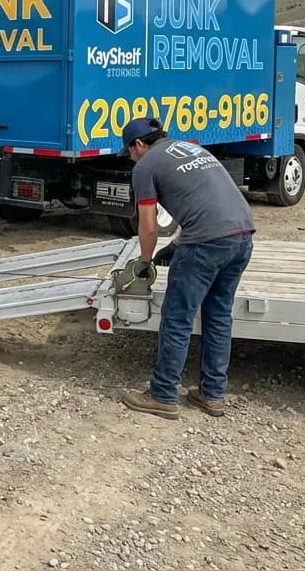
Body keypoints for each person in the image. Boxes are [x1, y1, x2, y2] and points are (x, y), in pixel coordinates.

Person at [117, 117, 255, 420]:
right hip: (243, 236)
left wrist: (144, 262)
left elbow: (148, 226)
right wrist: (177, 244)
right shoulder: (193, 149)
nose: (130, 158)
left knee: (177, 318)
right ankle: (212, 394)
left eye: (128, 151)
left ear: (139, 144)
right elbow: (204, 201)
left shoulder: (145, 167)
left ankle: (163, 395)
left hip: (206, 243)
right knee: (218, 316)